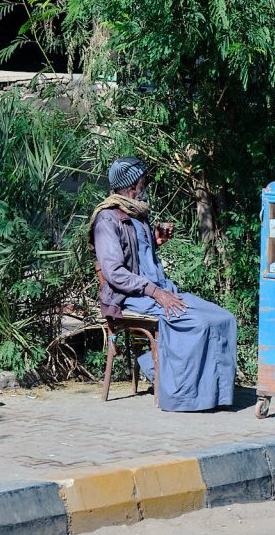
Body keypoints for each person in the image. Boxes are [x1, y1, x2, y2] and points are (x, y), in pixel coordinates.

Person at [90, 157, 236, 412]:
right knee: (198, 324)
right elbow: (114, 272)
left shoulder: (136, 213)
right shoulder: (107, 219)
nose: (146, 183)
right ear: (132, 184)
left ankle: (215, 395)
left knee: (223, 318)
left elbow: (138, 255)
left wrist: (155, 242)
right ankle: (183, 396)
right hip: (132, 297)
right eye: (142, 179)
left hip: (161, 289)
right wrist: (155, 292)